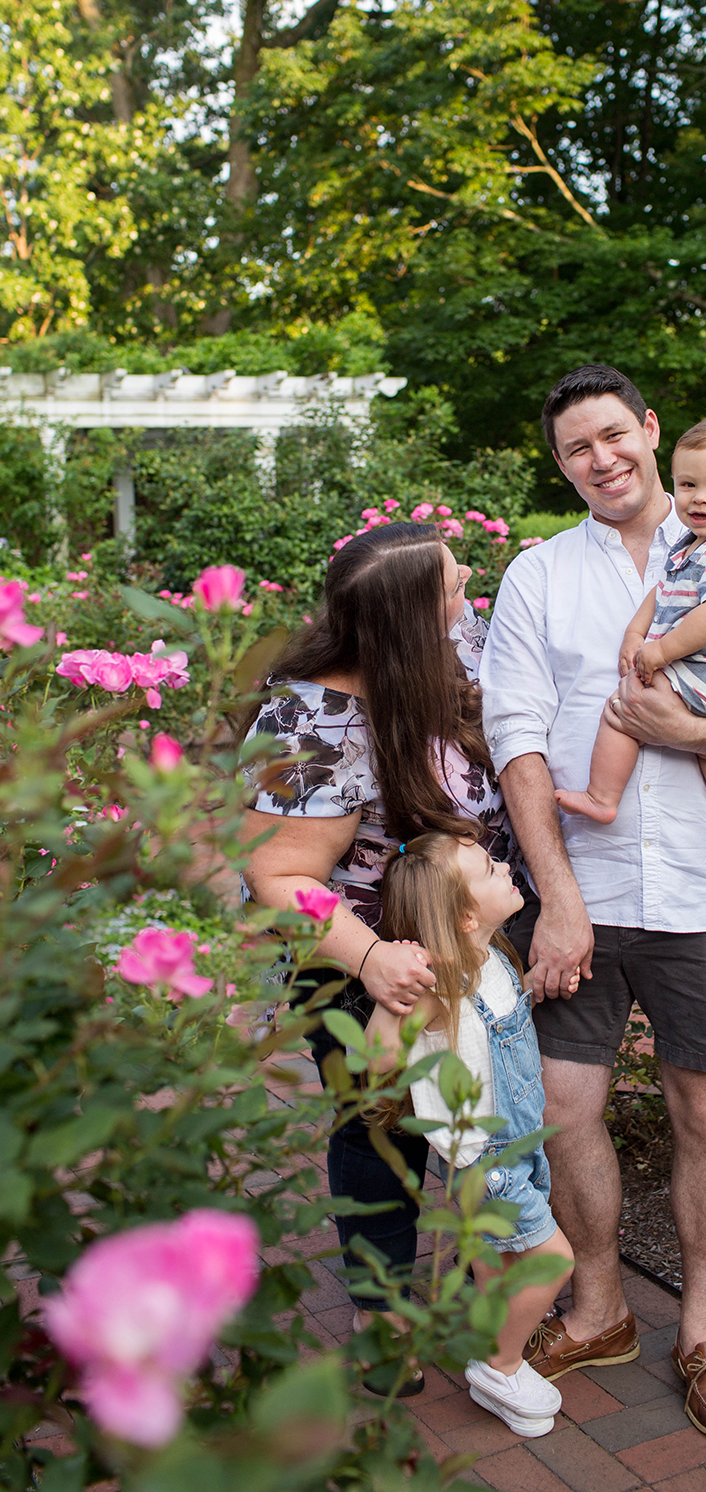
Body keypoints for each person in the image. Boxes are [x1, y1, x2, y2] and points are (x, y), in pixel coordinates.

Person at [479, 364, 706, 1439]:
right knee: (561, 1110)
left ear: (647, 431)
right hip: (580, 894)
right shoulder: (539, 574)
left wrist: (694, 733)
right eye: (574, 449)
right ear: (560, 465)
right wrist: (555, 896)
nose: (600, 460)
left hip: (704, 893)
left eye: (612, 435)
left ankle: (700, 1333)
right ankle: (597, 1306)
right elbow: (514, 738)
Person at [241, 523, 515, 1396]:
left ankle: (488, 1283)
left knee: (483, 1113)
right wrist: (369, 960)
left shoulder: (452, 643)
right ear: (404, 621)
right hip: (357, 957)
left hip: (469, 942)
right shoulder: (309, 722)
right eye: (452, 584)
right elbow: (277, 875)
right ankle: (382, 1306)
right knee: (379, 1125)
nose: (467, 589)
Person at [366, 832, 574, 1437]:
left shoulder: (495, 958)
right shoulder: (438, 985)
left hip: (518, 1144)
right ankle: (500, 1366)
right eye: (488, 867)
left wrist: (539, 984)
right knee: (552, 1259)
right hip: (489, 1162)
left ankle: (492, 1346)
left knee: (497, 1260)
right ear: (463, 915)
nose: (504, 865)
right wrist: (391, 990)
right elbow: (376, 1061)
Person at [555, 416, 706, 895]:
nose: (700, 498)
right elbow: (663, 593)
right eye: (688, 484)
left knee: (626, 705)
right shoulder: (695, 545)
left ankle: (602, 796)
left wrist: (657, 651)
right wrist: (634, 633)